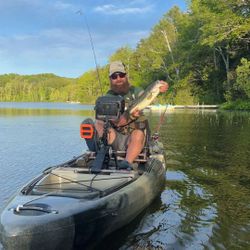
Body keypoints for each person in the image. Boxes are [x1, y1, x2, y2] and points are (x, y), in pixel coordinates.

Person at [92, 61, 168, 170]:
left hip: (136, 138)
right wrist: (131, 116)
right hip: (116, 138)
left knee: (138, 132)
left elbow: (146, 95)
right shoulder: (109, 96)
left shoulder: (136, 91)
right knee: (99, 122)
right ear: (110, 79)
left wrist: (161, 88)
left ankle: (127, 162)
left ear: (126, 76)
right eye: (114, 76)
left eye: (121, 75)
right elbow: (117, 121)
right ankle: (100, 151)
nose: (118, 79)